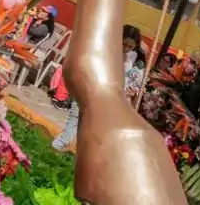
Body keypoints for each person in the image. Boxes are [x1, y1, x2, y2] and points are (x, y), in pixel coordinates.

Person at [52, 24, 147, 152]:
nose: (125, 48)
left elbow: (125, 81)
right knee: (70, 130)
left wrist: (132, 91)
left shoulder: (130, 60)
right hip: (89, 95)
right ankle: (53, 150)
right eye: (124, 43)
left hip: (106, 104)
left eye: (130, 46)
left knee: (89, 139)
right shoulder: (106, 52)